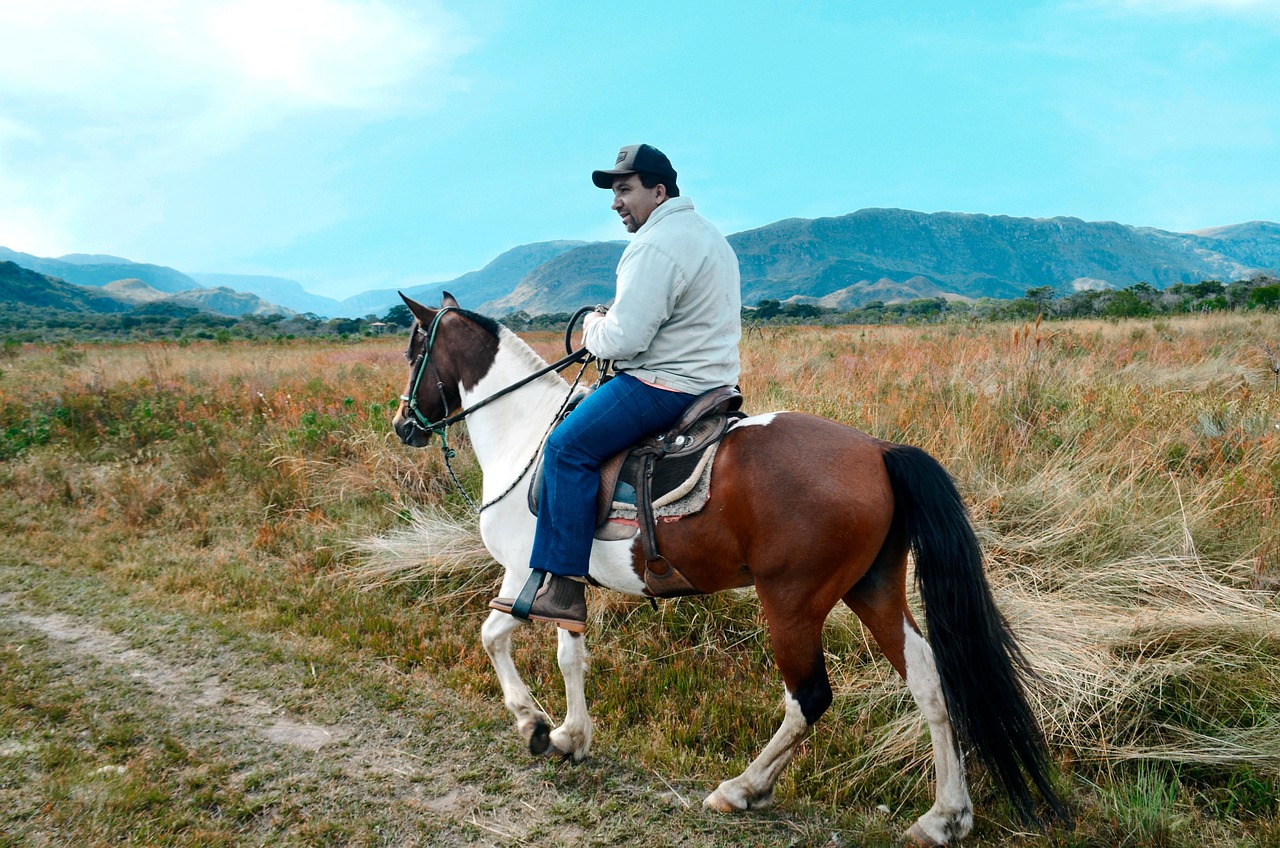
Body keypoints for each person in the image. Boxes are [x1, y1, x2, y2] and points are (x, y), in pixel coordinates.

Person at [489, 143, 742, 632]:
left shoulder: (654, 245)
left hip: (664, 385)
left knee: (565, 446)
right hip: (713, 385)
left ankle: (560, 586)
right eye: (614, 192)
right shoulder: (711, 237)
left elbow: (625, 340)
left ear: (659, 190)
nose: (615, 202)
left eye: (625, 189)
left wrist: (594, 326)